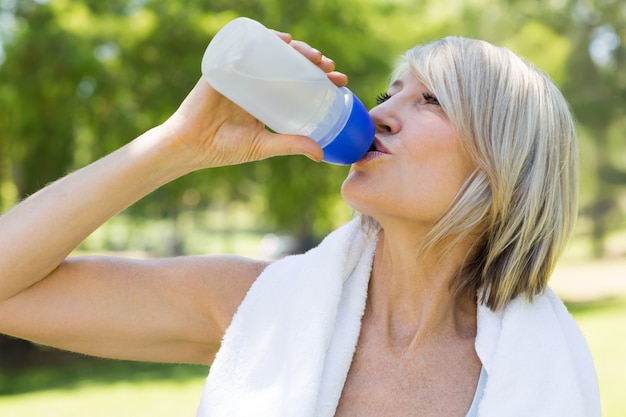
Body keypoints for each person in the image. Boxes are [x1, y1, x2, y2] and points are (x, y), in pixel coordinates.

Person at [0, 28, 599, 417]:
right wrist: (178, 144)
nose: (381, 113)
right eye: (391, 92)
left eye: (432, 101)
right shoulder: (254, 307)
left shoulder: (538, 370)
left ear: (505, 167)